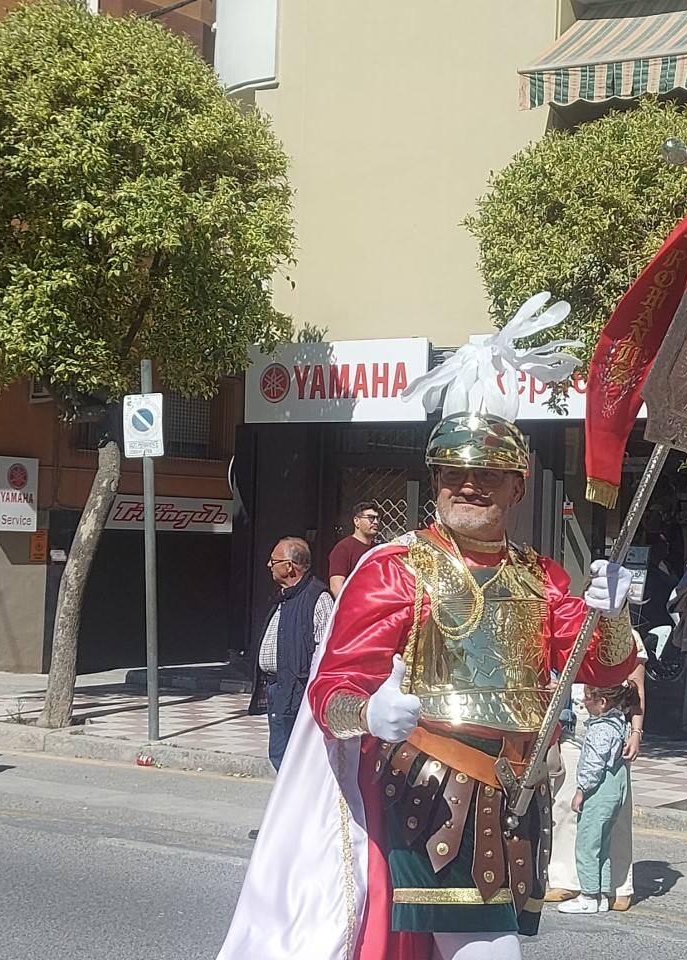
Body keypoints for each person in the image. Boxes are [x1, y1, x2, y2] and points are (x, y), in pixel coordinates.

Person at [217, 303, 636, 960]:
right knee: (487, 952)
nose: (469, 487)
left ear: (516, 486)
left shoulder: (543, 576)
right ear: (436, 481)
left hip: (518, 799)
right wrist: (370, 712)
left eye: (487, 476)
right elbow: (330, 693)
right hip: (429, 795)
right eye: (454, 475)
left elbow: (602, 668)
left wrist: (613, 611)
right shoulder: (394, 570)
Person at [546, 633, 648, 911]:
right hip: (575, 729)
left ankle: (616, 886)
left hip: (608, 733)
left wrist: (636, 732)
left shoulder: (628, 636)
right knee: (565, 807)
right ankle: (567, 879)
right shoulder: (572, 631)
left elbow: (636, 687)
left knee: (613, 817)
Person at [247, 537, 333, 773]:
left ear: (289, 566)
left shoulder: (318, 597)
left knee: (291, 756)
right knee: (279, 752)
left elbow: (325, 649)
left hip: (298, 690)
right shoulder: (283, 595)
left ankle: (300, 805)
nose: (268, 565)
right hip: (277, 686)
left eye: (273, 561)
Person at [558, 682, 641, 915]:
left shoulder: (600, 729)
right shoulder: (619, 724)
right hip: (616, 790)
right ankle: (602, 893)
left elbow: (593, 765)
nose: (583, 702)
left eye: (587, 698)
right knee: (603, 844)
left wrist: (580, 791)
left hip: (599, 792)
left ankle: (587, 895)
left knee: (587, 843)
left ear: (602, 703)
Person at [328, 501, 381, 597]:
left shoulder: (377, 549)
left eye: (377, 518)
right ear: (356, 521)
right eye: (370, 518)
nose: (375, 522)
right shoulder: (343, 549)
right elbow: (336, 586)